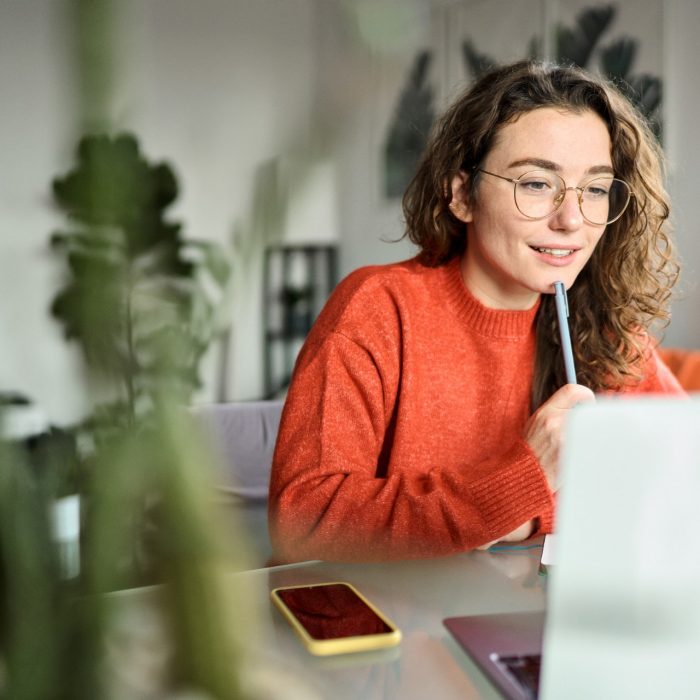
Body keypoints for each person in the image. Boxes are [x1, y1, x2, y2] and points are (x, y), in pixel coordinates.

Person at [268, 60, 684, 563]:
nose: (572, 219)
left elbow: (683, 479)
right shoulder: (378, 309)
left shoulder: (605, 327)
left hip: (540, 626)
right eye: (535, 183)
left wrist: (531, 514)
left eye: (594, 189)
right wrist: (522, 485)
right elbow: (303, 524)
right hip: (389, 628)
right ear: (462, 193)